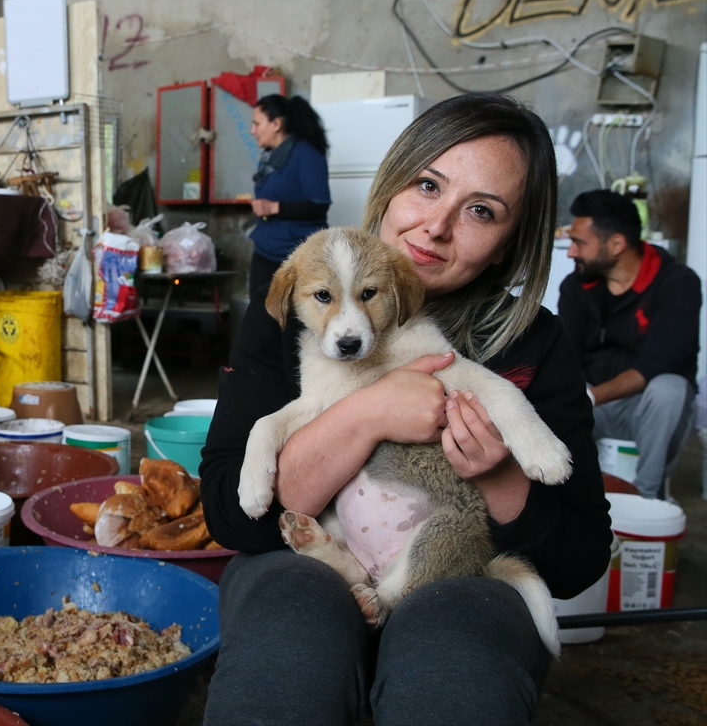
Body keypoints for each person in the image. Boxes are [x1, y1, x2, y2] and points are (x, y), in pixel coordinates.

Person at [200, 93, 613, 725]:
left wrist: (497, 472)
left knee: (456, 656)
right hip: (311, 552)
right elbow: (233, 514)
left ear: (509, 242)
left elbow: (578, 560)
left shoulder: (536, 341)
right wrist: (367, 414)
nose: (436, 226)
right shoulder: (295, 304)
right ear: (392, 185)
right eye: (426, 185)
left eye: (481, 210)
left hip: (453, 562)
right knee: (289, 635)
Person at [559, 190, 701, 500]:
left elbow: (658, 362)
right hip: (593, 408)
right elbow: (566, 354)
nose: (571, 253)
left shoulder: (678, 283)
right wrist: (572, 397)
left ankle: (647, 499)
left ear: (617, 245)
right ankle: (571, 496)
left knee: (670, 388)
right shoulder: (575, 286)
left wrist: (591, 397)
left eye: (580, 243)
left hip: (645, 410)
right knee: (553, 386)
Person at [247, 94, 331, 297]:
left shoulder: (306, 154)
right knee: (260, 317)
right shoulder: (270, 156)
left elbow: (319, 205)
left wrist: (273, 207)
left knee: (293, 323)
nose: (252, 131)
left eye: (257, 124)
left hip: (298, 255)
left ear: (276, 123)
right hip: (266, 249)